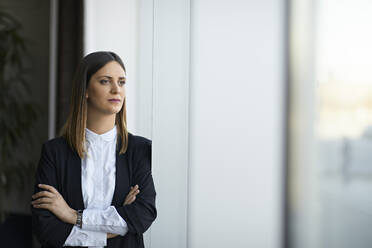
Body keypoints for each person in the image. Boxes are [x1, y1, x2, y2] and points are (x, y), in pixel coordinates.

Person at [31, 51, 157, 248]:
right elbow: (46, 230)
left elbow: (142, 216)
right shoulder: (54, 152)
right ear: (86, 90)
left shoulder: (141, 149)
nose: (116, 89)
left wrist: (73, 216)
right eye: (105, 81)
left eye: (122, 82)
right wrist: (118, 223)